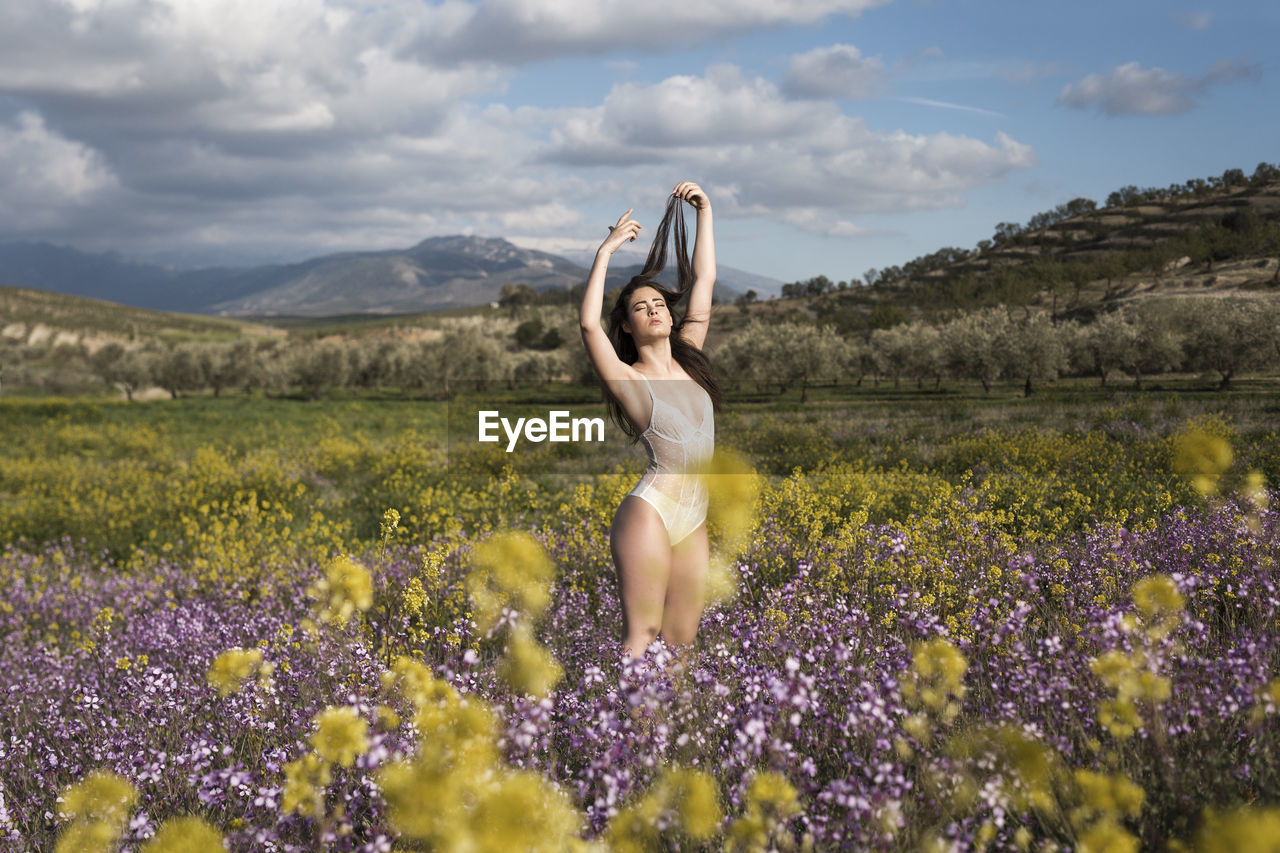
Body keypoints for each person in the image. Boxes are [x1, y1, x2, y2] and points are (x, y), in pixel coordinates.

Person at [579, 181, 725, 662]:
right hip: (651, 512)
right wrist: (606, 252)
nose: (654, 310)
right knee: (643, 634)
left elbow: (703, 280)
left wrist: (706, 211)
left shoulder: (691, 357)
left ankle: (668, 736)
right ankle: (626, 735)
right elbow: (587, 326)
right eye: (640, 308)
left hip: (695, 517)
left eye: (659, 304)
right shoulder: (629, 381)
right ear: (627, 325)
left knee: (682, 644)